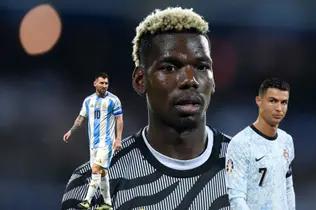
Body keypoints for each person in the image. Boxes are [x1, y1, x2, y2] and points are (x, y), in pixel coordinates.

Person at [61, 7, 231, 210]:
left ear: (213, 82)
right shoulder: (94, 183)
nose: (190, 80)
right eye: (170, 67)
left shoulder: (254, 171)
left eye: (202, 67)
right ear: (140, 80)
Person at [225, 78, 295, 210]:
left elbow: (288, 187)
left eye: (284, 102)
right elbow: (236, 197)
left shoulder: (286, 141)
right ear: (259, 101)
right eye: (272, 101)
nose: (279, 108)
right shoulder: (241, 143)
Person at [62, 72, 124, 210]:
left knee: (96, 169)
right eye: (101, 83)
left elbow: (119, 119)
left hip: (107, 142)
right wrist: (71, 131)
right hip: (93, 143)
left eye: (106, 83)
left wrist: (118, 139)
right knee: (102, 173)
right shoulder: (88, 101)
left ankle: (87, 201)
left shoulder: (113, 100)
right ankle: (107, 203)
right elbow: (80, 118)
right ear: (95, 83)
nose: (104, 86)